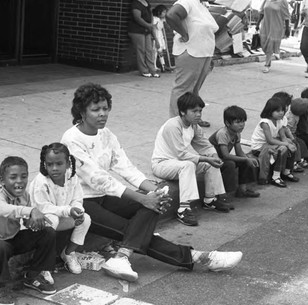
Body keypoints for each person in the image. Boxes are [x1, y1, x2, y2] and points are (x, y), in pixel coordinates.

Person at [61, 83, 243, 282]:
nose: (103, 114)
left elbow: (126, 168)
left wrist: (154, 191)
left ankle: (122, 255)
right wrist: (142, 197)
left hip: (105, 197)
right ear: (81, 111)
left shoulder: (106, 134)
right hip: (81, 203)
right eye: (95, 110)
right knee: (131, 229)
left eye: (105, 108)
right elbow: (100, 180)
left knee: (155, 202)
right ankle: (200, 257)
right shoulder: (71, 139)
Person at [0, 156, 57, 305]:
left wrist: (34, 222)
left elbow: (24, 220)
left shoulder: (24, 196)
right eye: (13, 177)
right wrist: (31, 210)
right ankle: (0, 287)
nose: (19, 181)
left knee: (48, 233)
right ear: (2, 181)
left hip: (12, 239)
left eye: (24, 176)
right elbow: (5, 210)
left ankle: (33, 276)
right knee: (1, 247)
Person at [152, 92, 232, 227]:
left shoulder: (194, 126)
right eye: (194, 111)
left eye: (200, 111)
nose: (199, 114)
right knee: (188, 165)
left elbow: (204, 144)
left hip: (179, 163)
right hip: (162, 164)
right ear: (182, 112)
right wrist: (205, 158)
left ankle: (210, 199)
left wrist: (214, 155)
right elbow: (181, 154)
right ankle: (183, 209)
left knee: (210, 163)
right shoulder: (173, 126)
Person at [28, 143, 91, 277]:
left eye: (59, 164)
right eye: (50, 164)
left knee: (86, 219)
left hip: (61, 216)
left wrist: (78, 210)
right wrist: (68, 211)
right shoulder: (41, 182)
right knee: (53, 219)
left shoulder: (72, 176)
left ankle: (68, 253)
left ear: (68, 163)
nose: (54, 168)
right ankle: (44, 266)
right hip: (39, 224)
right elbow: (43, 208)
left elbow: (77, 198)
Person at [166, 0, 218, 127]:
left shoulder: (202, 6)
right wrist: (184, 34)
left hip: (203, 53)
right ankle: (176, 122)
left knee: (194, 90)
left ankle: (193, 117)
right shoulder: (187, 2)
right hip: (190, 51)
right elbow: (171, 15)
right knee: (183, 88)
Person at [208, 106, 260, 198]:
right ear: (228, 123)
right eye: (238, 122)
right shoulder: (222, 134)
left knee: (245, 161)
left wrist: (247, 158)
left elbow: (239, 152)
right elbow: (226, 155)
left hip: (222, 158)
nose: (242, 125)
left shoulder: (237, 133)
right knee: (230, 164)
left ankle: (242, 190)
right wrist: (245, 159)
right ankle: (223, 195)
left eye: (243, 121)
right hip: (212, 159)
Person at [250, 97, 299, 187]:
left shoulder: (279, 121)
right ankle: (275, 177)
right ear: (269, 111)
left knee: (291, 144)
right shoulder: (265, 122)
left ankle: (286, 171)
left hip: (270, 145)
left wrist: (289, 144)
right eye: (278, 111)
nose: (281, 113)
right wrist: (286, 144)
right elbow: (270, 140)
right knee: (283, 148)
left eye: (282, 110)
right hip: (260, 147)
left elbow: (283, 137)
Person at [272, 91, 306, 172]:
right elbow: (283, 131)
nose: (287, 108)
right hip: (274, 140)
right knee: (290, 146)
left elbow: (285, 130)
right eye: (286, 105)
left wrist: (290, 138)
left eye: (288, 105)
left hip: (284, 136)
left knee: (294, 143)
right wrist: (288, 140)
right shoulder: (285, 117)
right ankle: (292, 166)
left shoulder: (283, 118)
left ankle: (291, 167)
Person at [255, 0, 290, 73]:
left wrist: (287, 28)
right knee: (264, 43)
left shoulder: (282, 1)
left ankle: (267, 65)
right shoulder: (266, 0)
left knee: (270, 45)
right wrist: (257, 24)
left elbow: (286, 16)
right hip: (266, 25)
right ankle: (275, 51)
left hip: (276, 26)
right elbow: (262, 12)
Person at [128, 0, 160, 78]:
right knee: (141, 50)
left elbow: (150, 16)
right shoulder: (135, 3)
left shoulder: (147, 3)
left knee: (149, 50)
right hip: (137, 30)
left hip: (147, 31)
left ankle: (152, 70)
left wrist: (151, 25)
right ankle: (143, 70)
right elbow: (137, 18)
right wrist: (148, 25)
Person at [285, 97, 308, 170]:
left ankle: (301, 160)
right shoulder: (293, 118)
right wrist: (291, 137)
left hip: (293, 133)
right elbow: (287, 128)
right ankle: (294, 163)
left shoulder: (295, 114)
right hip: (290, 135)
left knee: (302, 144)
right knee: (297, 146)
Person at [152, 5, 170, 72]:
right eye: (164, 12)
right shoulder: (155, 19)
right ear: (159, 12)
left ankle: (163, 65)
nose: (165, 14)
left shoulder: (161, 19)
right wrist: (156, 40)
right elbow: (153, 29)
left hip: (160, 36)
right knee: (155, 52)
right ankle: (154, 66)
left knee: (160, 52)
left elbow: (167, 27)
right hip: (156, 36)